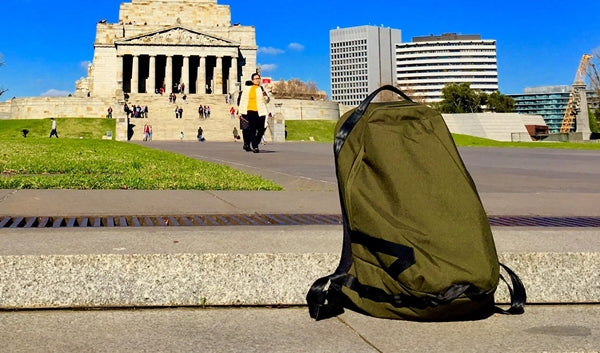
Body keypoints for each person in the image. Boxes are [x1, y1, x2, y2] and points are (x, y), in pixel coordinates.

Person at [236, 73, 270, 153]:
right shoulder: (247, 89)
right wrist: (240, 112)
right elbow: (243, 101)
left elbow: (267, 100)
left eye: (258, 78)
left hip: (260, 111)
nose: (258, 80)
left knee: (262, 129)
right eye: (256, 78)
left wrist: (265, 96)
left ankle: (255, 142)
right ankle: (255, 146)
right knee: (252, 129)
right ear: (252, 80)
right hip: (250, 110)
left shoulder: (261, 88)